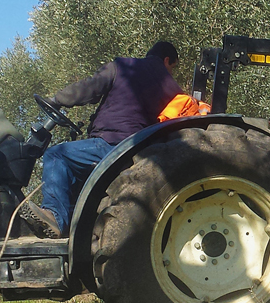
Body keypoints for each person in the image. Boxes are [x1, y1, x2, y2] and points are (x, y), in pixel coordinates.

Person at [22, 42, 183, 238]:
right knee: (74, 175)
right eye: (173, 68)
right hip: (140, 152)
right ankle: (78, 228)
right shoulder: (175, 91)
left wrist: (57, 100)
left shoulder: (123, 67)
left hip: (111, 145)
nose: (171, 73)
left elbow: (87, 89)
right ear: (167, 60)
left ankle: (55, 217)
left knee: (57, 156)